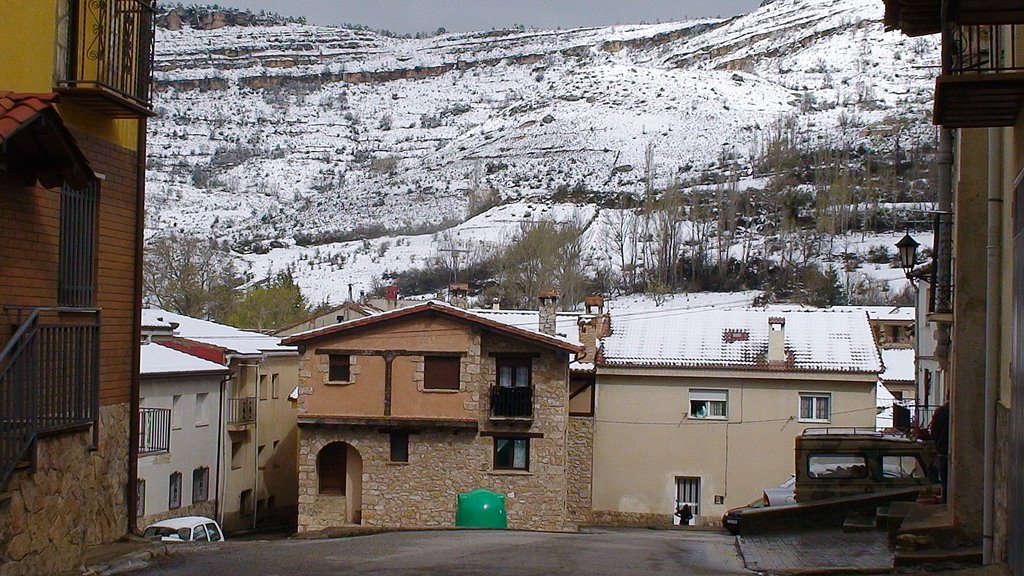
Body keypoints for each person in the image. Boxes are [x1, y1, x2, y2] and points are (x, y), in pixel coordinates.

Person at [930, 401, 950, 503]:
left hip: (942, 452)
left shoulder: (940, 412)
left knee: (945, 480)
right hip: (952, 452)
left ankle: (945, 500)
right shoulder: (956, 412)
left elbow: (933, 433)